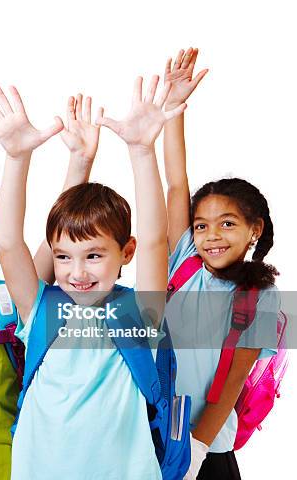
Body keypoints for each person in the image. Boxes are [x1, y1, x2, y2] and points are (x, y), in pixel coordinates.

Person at [0, 81, 185, 479]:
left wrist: (142, 152)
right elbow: (7, 242)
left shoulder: (140, 309)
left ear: (126, 252)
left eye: (93, 256)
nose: (77, 272)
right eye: (63, 257)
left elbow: (158, 241)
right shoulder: (40, 306)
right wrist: (17, 158)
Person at [162, 47, 279, 480]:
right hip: (155, 438)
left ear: (254, 229)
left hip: (207, 453)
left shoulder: (260, 297)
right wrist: (174, 109)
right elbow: (177, 185)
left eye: (227, 224)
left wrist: (194, 453)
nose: (211, 235)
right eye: (201, 225)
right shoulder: (186, 263)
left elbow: (232, 383)